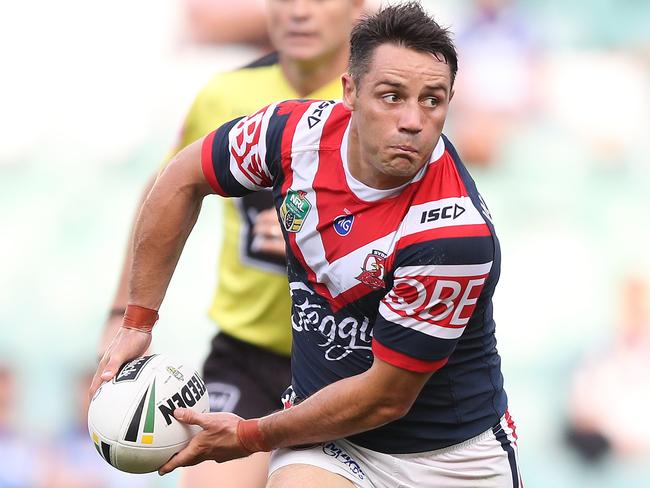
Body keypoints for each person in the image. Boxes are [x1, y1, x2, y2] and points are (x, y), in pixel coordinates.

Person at [92, 3, 521, 487]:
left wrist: (250, 435)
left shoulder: (452, 236)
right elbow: (179, 180)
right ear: (350, 92)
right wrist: (135, 321)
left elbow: (383, 398)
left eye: (432, 100)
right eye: (392, 96)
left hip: (447, 458)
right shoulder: (291, 134)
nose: (412, 121)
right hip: (328, 442)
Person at [100, 1, 364, 487]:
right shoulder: (225, 94)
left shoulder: (377, 102)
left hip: (346, 362)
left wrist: (315, 243)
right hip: (248, 356)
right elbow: (164, 193)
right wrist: (123, 316)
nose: (299, 13)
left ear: (358, 8)